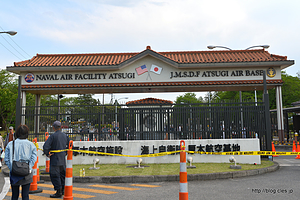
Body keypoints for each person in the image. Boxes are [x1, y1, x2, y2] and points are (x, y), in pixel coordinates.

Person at [4, 125, 37, 200]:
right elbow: (33, 158)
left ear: (17, 133)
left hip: (14, 172)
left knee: (14, 195)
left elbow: (6, 159)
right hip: (27, 173)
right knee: (25, 196)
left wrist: (11, 168)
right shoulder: (31, 145)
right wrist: (29, 168)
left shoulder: (10, 144)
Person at [43, 121, 70, 198]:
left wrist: (47, 153)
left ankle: (58, 191)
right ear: (61, 127)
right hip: (62, 159)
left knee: (55, 175)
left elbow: (46, 146)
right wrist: (65, 152)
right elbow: (70, 145)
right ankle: (63, 190)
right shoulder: (65, 136)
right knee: (62, 175)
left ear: (53, 127)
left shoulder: (52, 136)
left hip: (55, 159)